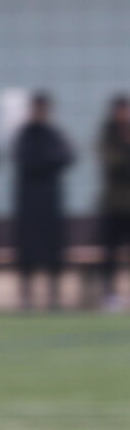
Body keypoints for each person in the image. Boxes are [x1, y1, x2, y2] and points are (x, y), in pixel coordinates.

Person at [11, 92, 75, 313]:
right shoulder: (24, 135)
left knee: (53, 251)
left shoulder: (54, 134)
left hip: (50, 203)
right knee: (27, 252)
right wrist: (49, 160)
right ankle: (26, 297)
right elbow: (27, 160)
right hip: (29, 203)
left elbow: (68, 157)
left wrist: (45, 160)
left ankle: (54, 297)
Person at [92, 94, 130, 310]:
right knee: (110, 253)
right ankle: (109, 294)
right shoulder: (107, 134)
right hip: (113, 205)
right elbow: (111, 163)